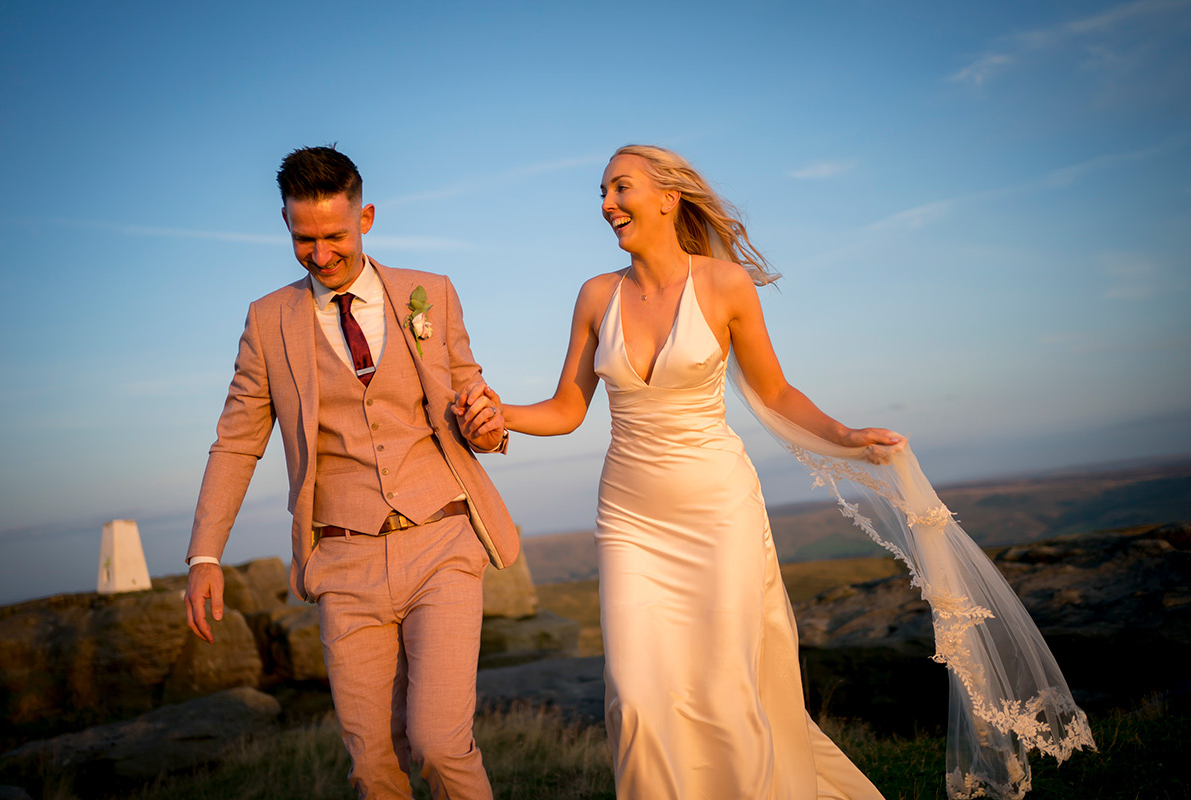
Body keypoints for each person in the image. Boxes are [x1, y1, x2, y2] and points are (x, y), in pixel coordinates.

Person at [460, 145, 1094, 799]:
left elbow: (775, 392)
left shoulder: (724, 286)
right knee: (638, 698)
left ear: (668, 196)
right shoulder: (597, 296)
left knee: (728, 689)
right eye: (601, 192)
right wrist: (496, 413)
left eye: (620, 189)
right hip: (629, 519)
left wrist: (845, 436)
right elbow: (567, 409)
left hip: (718, 511)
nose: (606, 205)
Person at [184, 145, 517, 800]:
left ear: (365, 217)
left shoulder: (431, 294)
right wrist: (204, 557)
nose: (320, 254)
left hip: (441, 541)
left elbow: (477, 402)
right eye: (302, 239)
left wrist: (490, 428)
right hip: (342, 561)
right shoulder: (267, 320)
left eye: (334, 235)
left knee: (440, 743)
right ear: (285, 224)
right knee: (373, 768)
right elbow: (235, 443)